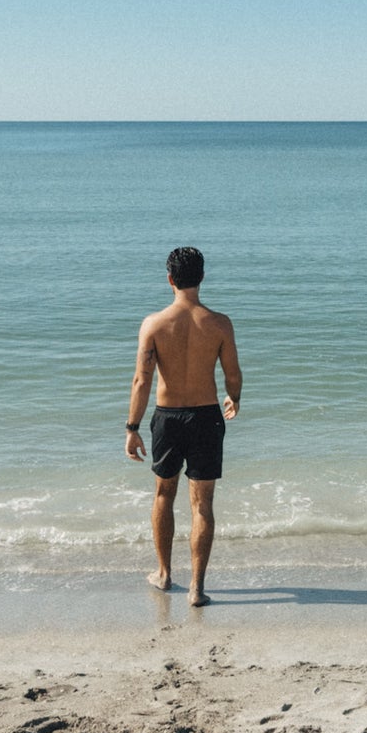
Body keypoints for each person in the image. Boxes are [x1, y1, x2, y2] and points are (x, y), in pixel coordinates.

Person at [125, 246, 241, 606]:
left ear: (170, 279)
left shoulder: (154, 324)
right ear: (202, 277)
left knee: (164, 495)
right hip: (207, 416)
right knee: (202, 505)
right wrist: (233, 398)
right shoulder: (219, 323)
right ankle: (197, 588)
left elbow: (141, 381)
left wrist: (132, 427)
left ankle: (164, 574)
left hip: (168, 417)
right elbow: (233, 374)